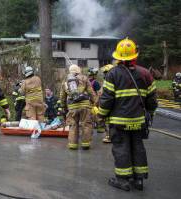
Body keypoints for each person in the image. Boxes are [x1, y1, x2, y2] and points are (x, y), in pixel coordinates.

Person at [98, 38, 157, 191]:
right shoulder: (145, 74)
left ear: (118, 57)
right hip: (139, 121)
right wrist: (150, 113)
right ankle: (139, 180)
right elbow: (152, 99)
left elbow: (107, 99)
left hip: (119, 123)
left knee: (121, 148)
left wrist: (101, 115)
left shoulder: (112, 74)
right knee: (138, 147)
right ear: (134, 56)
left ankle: (123, 180)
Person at [60, 64, 97, 150]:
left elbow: (62, 95)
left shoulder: (66, 80)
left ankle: (73, 145)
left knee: (73, 125)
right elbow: (91, 91)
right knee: (86, 124)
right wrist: (94, 101)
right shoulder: (84, 78)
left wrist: (63, 106)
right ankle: (85, 144)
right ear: (78, 70)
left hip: (72, 106)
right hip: (85, 105)